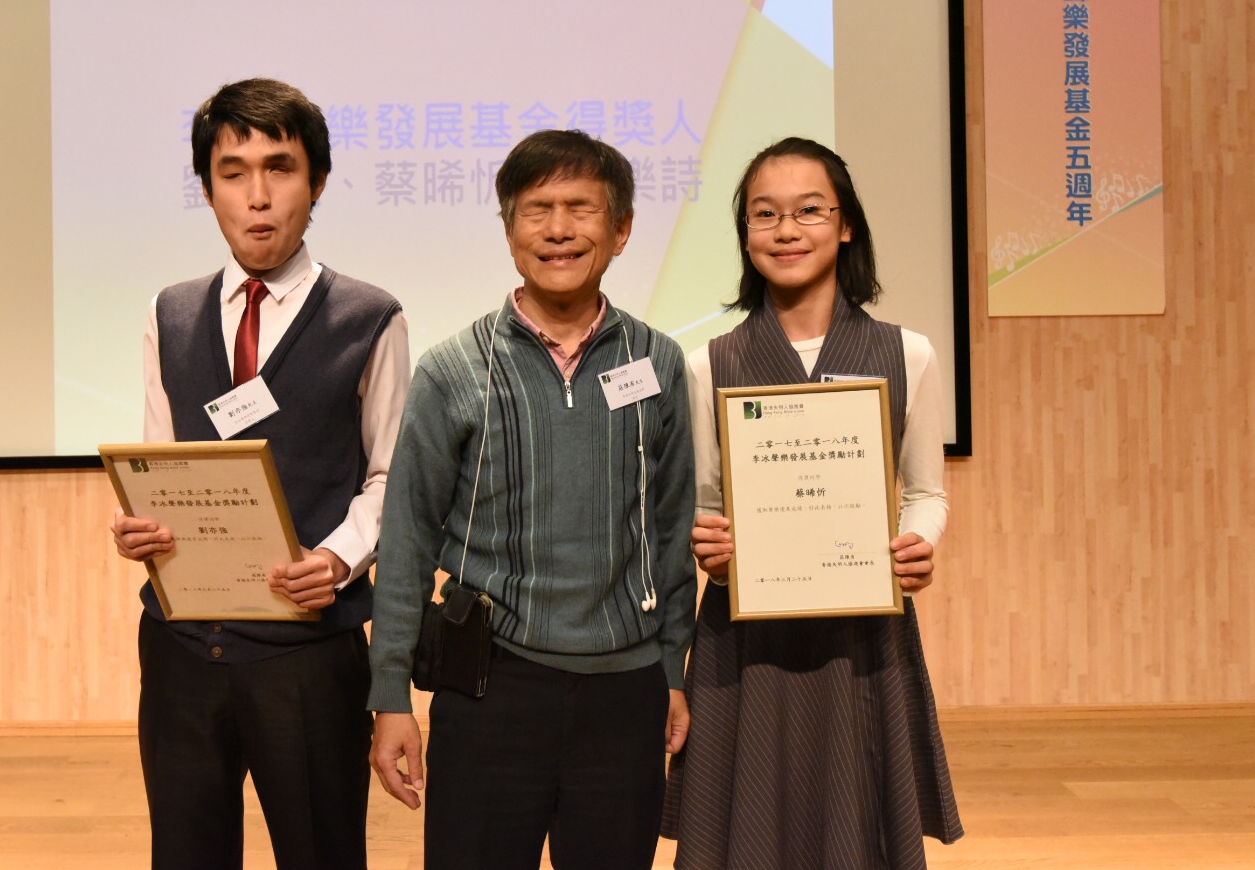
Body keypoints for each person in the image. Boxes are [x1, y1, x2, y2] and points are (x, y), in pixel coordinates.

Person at [366, 129, 697, 870]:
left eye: (581, 208)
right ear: (509, 229)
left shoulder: (658, 362)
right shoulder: (453, 370)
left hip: (626, 691)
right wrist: (389, 696)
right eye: (536, 209)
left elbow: (672, 533)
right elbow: (408, 539)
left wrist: (675, 671)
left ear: (621, 229)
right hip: (492, 691)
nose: (557, 229)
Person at [110, 77, 410, 870]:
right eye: (233, 172)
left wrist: (338, 559)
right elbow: (161, 464)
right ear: (207, 188)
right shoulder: (168, 313)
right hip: (180, 648)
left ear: (316, 183)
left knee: (320, 852)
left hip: (307, 649)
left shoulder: (370, 317)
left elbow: (391, 476)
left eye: (280, 169)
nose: (258, 196)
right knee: (185, 852)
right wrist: (143, 526)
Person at [661, 137, 964, 869]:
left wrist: (919, 544)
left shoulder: (909, 352)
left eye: (808, 211)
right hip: (746, 637)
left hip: (862, 632)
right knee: (745, 832)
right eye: (764, 215)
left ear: (846, 224)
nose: (786, 231)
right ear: (744, 235)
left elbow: (925, 492)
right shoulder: (708, 363)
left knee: (857, 826)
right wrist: (714, 549)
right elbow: (700, 507)